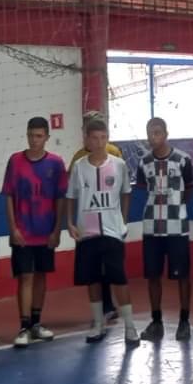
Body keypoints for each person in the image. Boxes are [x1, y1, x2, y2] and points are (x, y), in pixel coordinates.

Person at [68, 119, 137, 346]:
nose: (98, 143)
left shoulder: (119, 165)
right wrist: (70, 222)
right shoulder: (79, 167)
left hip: (112, 231)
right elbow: (71, 197)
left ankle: (130, 327)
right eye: (94, 138)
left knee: (119, 278)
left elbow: (126, 193)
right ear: (86, 139)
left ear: (107, 139)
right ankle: (98, 323)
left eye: (103, 138)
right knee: (93, 280)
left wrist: (123, 220)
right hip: (87, 233)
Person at [5, 116, 67, 348]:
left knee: (41, 276)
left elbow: (60, 198)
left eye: (39, 136)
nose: (34, 140)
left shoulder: (56, 163)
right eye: (31, 135)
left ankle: (36, 323)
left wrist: (56, 230)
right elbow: (9, 196)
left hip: (46, 231)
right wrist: (13, 228)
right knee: (26, 277)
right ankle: (24, 326)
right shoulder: (15, 161)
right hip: (23, 231)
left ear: (47, 137)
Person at [135, 117, 193, 342]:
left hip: (177, 227)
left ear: (166, 133)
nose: (154, 137)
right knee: (153, 276)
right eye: (151, 133)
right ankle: (156, 321)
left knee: (183, 276)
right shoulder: (143, 162)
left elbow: (190, 188)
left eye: (158, 132)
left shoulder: (183, 159)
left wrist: (176, 206)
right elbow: (143, 189)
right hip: (151, 227)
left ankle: (184, 321)